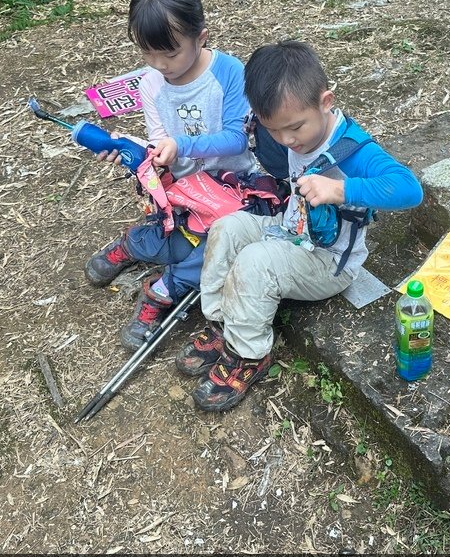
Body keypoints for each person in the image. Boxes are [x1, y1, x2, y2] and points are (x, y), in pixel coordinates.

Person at [174, 41, 424, 412]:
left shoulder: (351, 149)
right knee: (227, 228)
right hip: (291, 229)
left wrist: (340, 189)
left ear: (326, 102)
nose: (287, 140)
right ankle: (221, 322)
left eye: (294, 128)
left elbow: (410, 189)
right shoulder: (289, 129)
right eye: (275, 130)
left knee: (257, 262)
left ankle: (249, 354)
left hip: (329, 260)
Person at [84, 0, 254, 351]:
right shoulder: (151, 83)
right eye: (147, 52)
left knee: (221, 244)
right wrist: (144, 160)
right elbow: (161, 146)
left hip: (231, 186)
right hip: (183, 189)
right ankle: (133, 245)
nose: (160, 64)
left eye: (171, 52)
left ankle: (161, 289)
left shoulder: (228, 73)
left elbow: (236, 137)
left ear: (201, 37)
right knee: (170, 227)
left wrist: (179, 145)